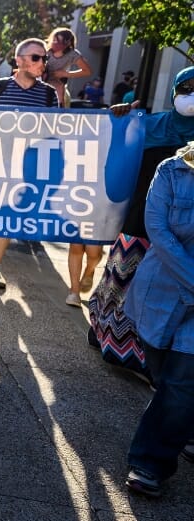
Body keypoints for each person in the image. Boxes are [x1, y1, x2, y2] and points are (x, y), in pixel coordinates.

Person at [88, 67, 194, 378]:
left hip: (184, 230)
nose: (191, 93)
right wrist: (120, 123)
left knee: (165, 294)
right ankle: (111, 343)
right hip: (138, 220)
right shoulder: (148, 125)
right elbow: (116, 157)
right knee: (121, 283)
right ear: (174, 91)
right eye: (186, 87)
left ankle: (151, 359)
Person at [121, 140, 194, 497]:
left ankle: (150, 463)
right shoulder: (171, 170)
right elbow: (160, 232)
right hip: (161, 293)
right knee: (164, 376)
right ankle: (185, 428)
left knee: (181, 383)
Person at [0, 38, 60, 288]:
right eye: (37, 57)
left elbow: (54, 132)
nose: (43, 63)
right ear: (19, 60)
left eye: (45, 58)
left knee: (8, 216)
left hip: (24, 168)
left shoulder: (49, 94)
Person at [44, 27, 92, 107]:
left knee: (61, 92)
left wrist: (65, 74)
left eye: (59, 41)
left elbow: (87, 71)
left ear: (68, 42)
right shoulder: (45, 51)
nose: (55, 43)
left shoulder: (72, 54)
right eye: (54, 40)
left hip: (58, 86)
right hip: (42, 81)